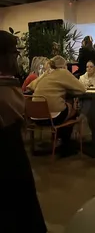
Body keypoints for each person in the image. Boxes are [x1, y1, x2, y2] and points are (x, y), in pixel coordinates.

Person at [0, 30, 47, 232]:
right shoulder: (5, 91)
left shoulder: (9, 83)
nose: (16, 58)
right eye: (14, 53)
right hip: (9, 161)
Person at [27, 55, 86, 155]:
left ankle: (59, 141)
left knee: (66, 107)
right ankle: (65, 145)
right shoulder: (63, 72)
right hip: (54, 117)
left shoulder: (47, 73)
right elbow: (82, 89)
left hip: (35, 117)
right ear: (64, 65)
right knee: (73, 109)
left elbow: (30, 86)